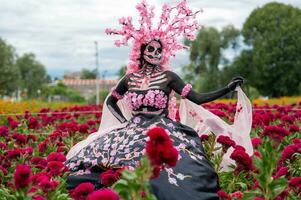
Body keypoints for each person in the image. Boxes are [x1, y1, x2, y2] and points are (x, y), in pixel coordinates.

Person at [65, 1, 252, 199]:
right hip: (133, 129)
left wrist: (227, 88)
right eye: (151, 49)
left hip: (163, 129)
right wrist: (124, 123)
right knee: (103, 162)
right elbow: (111, 101)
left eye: (158, 50)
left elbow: (197, 98)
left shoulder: (168, 77)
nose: (155, 53)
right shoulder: (129, 79)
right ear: (142, 50)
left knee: (176, 167)